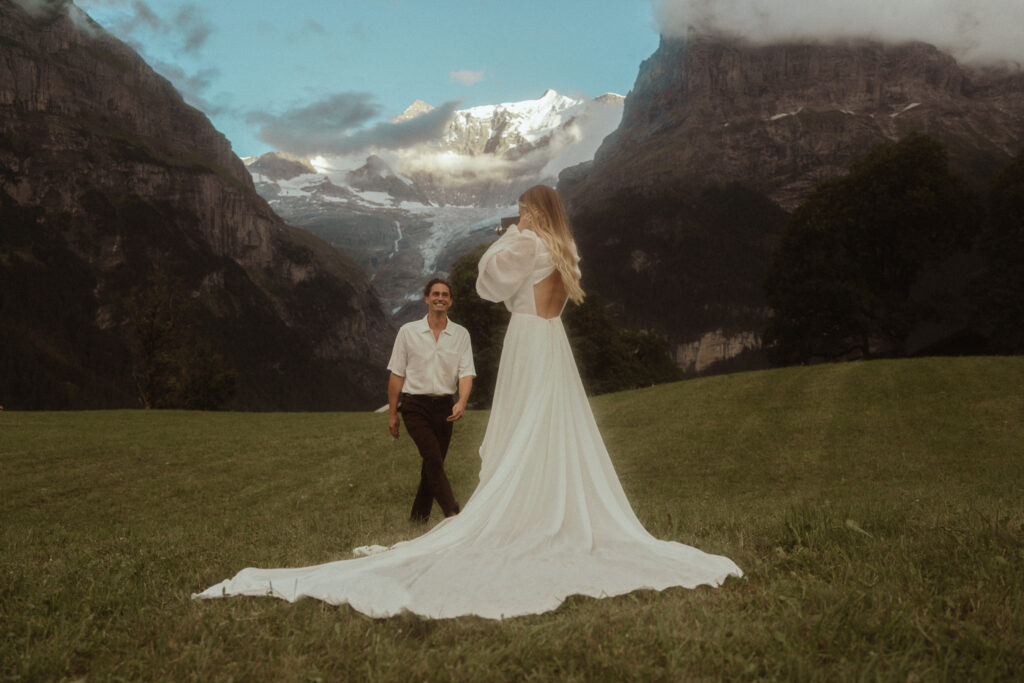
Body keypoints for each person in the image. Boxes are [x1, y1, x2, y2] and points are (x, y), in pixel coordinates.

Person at [193, 185, 741, 619]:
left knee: (527, 420)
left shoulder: (527, 243)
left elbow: (486, 284)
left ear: (535, 211)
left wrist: (506, 235)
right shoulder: (564, 249)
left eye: (524, 208)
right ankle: (549, 503)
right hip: (553, 342)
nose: (519, 215)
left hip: (528, 337)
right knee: (549, 425)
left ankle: (521, 514)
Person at [386, 277, 475, 522]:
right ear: (426, 299)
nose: (440, 298)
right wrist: (393, 414)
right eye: (435, 294)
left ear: (451, 301)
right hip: (415, 406)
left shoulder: (461, 335)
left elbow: (466, 373)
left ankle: (418, 518)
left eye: (445, 294)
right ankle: (453, 513)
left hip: (445, 407)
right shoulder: (408, 332)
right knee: (433, 457)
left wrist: (462, 401)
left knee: (432, 464)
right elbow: (396, 374)